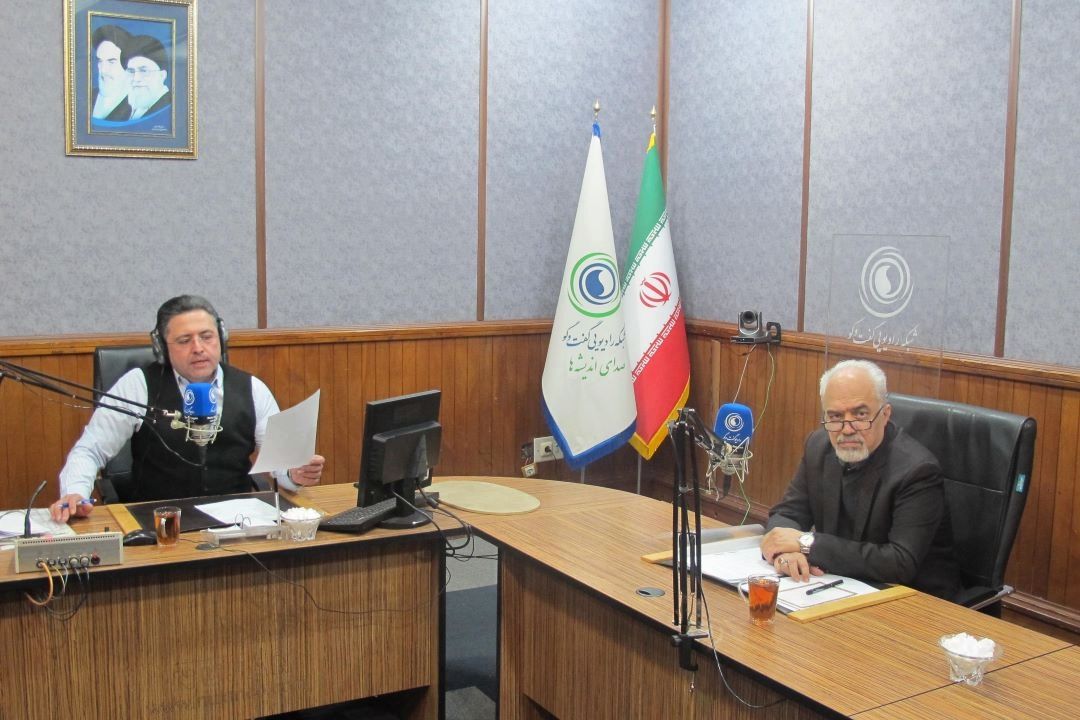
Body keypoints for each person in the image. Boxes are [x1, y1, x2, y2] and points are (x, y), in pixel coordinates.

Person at [51, 295, 325, 522]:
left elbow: (279, 464)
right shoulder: (138, 385)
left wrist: (295, 473)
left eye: (207, 337)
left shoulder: (252, 388)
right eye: (184, 340)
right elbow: (90, 449)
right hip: (159, 522)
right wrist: (75, 493)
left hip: (237, 521)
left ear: (221, 338)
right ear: (161, 347)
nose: (198, 348)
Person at [759, 359, 960, 601]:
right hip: (838, 585)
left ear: (885, 414)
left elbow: (900, 562)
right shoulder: (818, 446)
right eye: (835, 416)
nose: (847, 429)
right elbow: (787, 514)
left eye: (860, 414)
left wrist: (806, 544)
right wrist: (786, 554)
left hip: (913, 600)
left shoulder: (917, 470)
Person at [120, 35, 172, 121]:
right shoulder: (126, 110)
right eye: (131, 71)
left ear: (162, 76)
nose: (136, 79)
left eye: (144, 71)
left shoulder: (170, 109)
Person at [90, 24, 132, 121]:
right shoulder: (88, 97)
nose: (103, 70)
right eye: (100, 61)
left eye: (111, 62)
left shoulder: (138, 107)